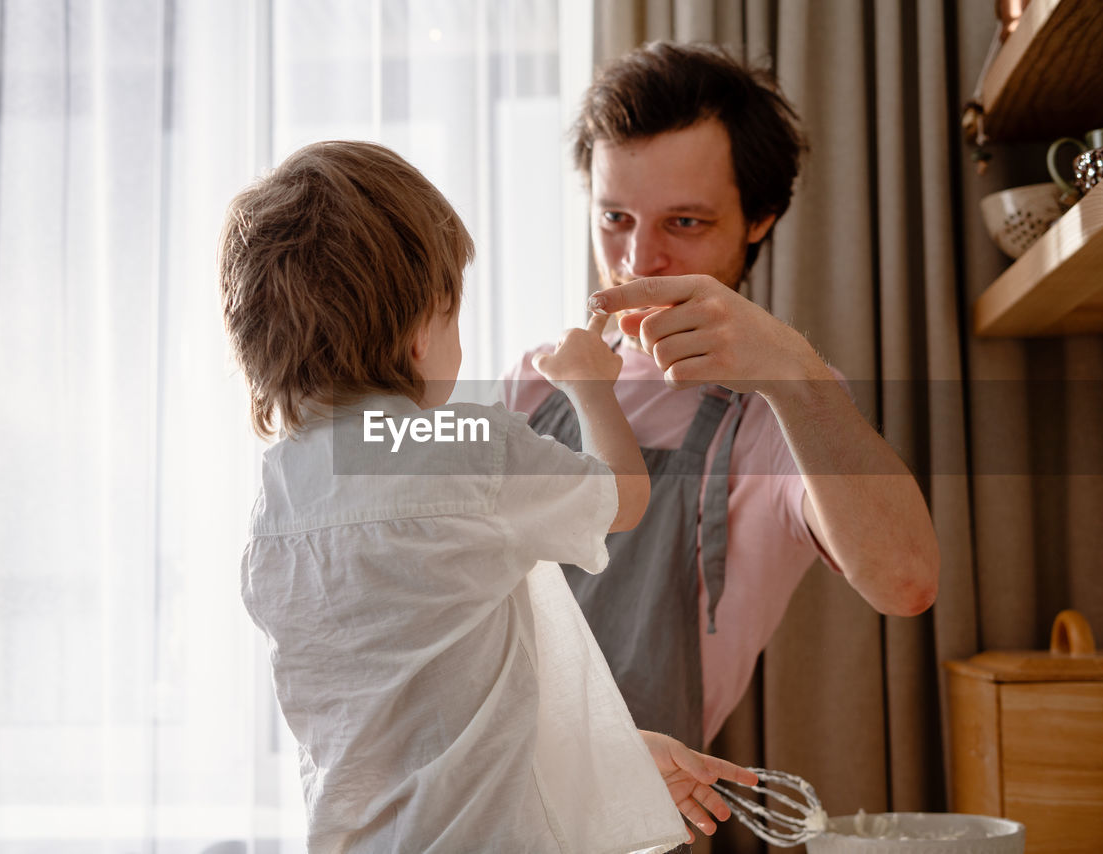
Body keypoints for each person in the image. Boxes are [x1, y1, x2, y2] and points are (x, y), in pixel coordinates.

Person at [218, 139, 756, 852]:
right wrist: (591, 389)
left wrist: (620, 750)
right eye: (452, 315)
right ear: (418, 337)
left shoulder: (275, 505)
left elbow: (435, 707)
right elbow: (624, 498)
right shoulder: (467, 449)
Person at [500, 41, 940, 751]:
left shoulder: (784, 416)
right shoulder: (533, 380)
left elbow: (906, 582)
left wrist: (794, 374)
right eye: (615, 218)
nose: (640, 261)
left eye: (685, 223)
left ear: (759, 218)